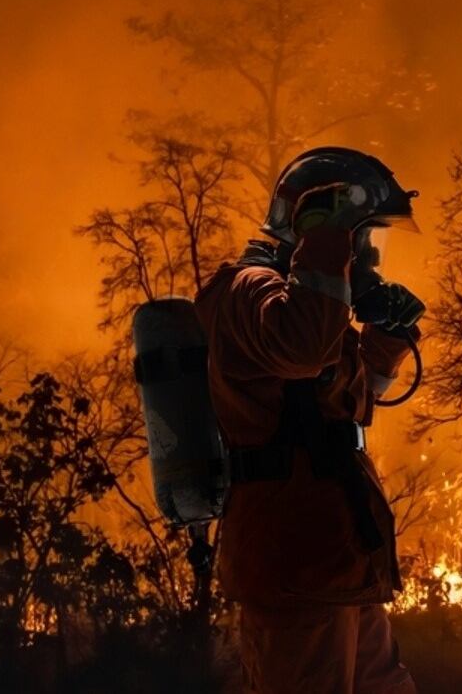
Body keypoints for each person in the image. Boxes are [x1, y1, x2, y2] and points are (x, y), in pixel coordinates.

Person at [195, 147, 425, 694]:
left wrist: (388, 339)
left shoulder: (302, 301)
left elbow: (343, 409)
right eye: (361, 235)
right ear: (313, 224)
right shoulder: (249, 291)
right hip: (294, 565)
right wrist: (327, 248)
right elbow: (302, 351)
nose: (367, 255)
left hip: (337, 562)